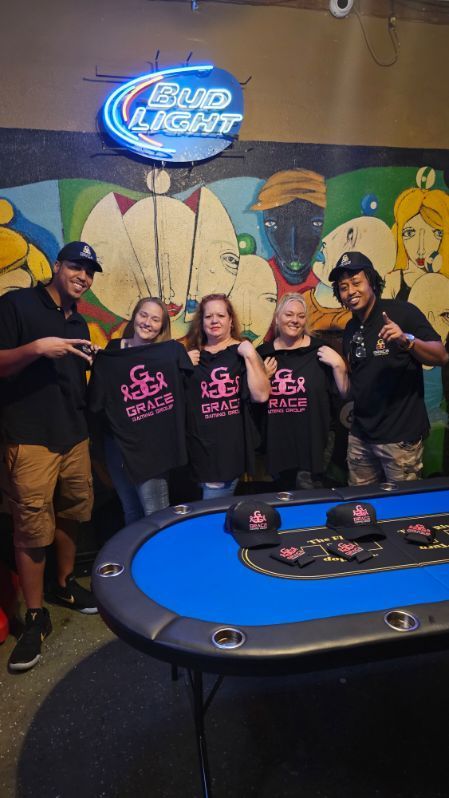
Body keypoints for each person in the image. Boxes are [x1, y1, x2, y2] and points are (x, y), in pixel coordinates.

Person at [0, 241, 103, 673]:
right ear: (57, 266)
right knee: (30, 530)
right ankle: (35, 615)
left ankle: (64, 584)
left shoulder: (78, 321)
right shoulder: (17, 305)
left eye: (90, 271)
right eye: (77, 266)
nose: (83, 276)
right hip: (29, 440)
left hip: (73, 437)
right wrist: (39, 348)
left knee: (71, 513)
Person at [329, 250, 449, 486]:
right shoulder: (351, 328)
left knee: (401, 505)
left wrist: (408, 341)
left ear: (372, 282)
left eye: (356, 282)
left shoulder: (402, 313)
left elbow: (441, 356)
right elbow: (361, 379)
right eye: (343, 287)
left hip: (399, 440)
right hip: (361, 438)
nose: (350, 291)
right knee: (362, 504)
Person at [89, 297, 193, 519]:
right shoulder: (113, 350)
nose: (147, 323)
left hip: (152, 449)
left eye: (155, 319)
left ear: (162, 327)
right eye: (143, 315)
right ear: (134, 316)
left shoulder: (170, 353)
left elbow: (189, 389)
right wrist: (98, 362)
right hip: (117, 446)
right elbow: (97, 402)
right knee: (131, 510)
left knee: (156, 514)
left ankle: (161, 546)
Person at [257, 293, 348, 489]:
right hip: (277, 450)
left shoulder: (321, 352)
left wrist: (339, 365)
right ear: (277, 318)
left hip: (313, 449)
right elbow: (253, 402)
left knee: (310, 499)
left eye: (300, 316)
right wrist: (261, 377)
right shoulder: (262, 354)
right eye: (289, 314)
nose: (295, 320)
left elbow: (343, 396)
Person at [185, 294, 270, 499]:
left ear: (231, 321)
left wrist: (250, 353)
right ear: (201, 322)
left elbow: (261, 395)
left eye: (221, 315)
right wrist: (183, 363)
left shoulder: (240, 353)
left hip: (227, 452)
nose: (214, 321)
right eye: (208, 316)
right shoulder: (193, 355)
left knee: (211, 510)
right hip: (197, 451)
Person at [384, 187, 449, 300]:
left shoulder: (445, 281)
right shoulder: (393, 281)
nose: (421, 250)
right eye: (409, 233)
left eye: (436, 233)